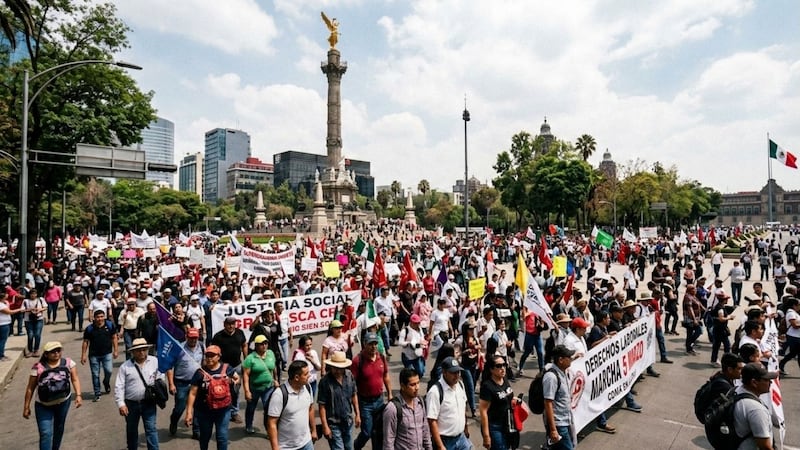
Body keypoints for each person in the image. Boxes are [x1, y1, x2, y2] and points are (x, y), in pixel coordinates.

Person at [22, 341, 82, 450]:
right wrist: (26, 406)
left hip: (63, 402)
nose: (56, 353)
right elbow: (30, 388)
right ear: (46, 354)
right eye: (52, 351)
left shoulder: (69, 363)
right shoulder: (38, 368)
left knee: (59, 428)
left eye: (58, 350)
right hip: (43, 405)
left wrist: (78, 395)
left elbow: (75, 379)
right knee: (46, 433)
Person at [185, 344, 241, 450]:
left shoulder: (227, 368)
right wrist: (189, 413)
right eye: (207, 356)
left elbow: (237, 379)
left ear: (218, 356)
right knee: (205, 437)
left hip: (223, 411)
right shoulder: (200, 373)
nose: (209, 358)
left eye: (212, 355)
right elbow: (192, 393)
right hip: (204, 411)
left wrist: (232, 382)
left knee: (222, 437)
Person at [114, 338, 164, 450]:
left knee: (151, 429)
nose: (141, 352)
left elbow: (161, 376)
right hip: (131, 404)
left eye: (144, 349)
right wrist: (121, 404)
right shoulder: (125, 367)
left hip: (149, 403)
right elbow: (119, 386)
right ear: (133, 352)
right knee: (131, 431)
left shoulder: (155, 361)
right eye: (138, 350)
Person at [352, 332, 391, 450]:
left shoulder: (381, 357)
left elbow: (386, 375)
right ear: (364, 344)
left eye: (375, 343)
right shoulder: (357, 361)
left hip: (379, 400)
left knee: (378, 432)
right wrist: (357, 412)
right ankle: (356, 445)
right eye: (370, 344)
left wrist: (389, 394)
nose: (374, 346)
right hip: (365, 403)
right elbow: (352, 385)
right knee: (367, 432)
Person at [266, 360, 317, 450]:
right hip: (286, 447)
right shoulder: (279, 394)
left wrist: (314, 430)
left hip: (307, 443)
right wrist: (275, 447)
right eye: (306, 374)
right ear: (296, 377)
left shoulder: (307, 387)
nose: (309, 376)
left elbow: (310, 409)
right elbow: (271, 422)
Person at [166, 327, 204, 438]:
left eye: (195, 338)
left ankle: (196, 431)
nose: (193, 340)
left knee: (197, 407)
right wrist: (171, 384)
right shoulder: (179, 348)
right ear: (186, 336)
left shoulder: (201, 346)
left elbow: (204, 362)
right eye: (191, 338)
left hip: (197, 382)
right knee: (180, 408)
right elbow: (169, 366)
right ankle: (174, 422)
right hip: (181, 383)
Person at [383, 367, 432, 450]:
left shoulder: (420, 402)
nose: (417, 388)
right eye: (412, 385)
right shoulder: (392, 409)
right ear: (402, 386)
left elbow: (425, 430)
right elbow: (388, 441)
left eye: (418, 383)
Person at [318, 351, 360, 450]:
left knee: (349, 447)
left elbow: (354, 395)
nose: (338, 371)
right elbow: (322, 406)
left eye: (340, 368)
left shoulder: (349, 376)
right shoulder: (325, 382)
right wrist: (325, 426)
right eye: (335, 368)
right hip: (333, 424)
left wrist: (358, 414)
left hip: (348, 421)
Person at [426, 356, 470, 450]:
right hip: (446, 441)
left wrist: (465, 428)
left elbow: (463, 408)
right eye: (453, 373)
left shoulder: (460, 385)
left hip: (461, 438)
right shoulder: (435, 392)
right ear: (444, 372)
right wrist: (440, 446)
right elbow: (432, 421)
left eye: (458, 372)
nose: (457, 375)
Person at [211, 316, 248, 423]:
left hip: (237, 366)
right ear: (224, 324)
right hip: (223, 368)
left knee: (235, 390)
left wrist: (246, 359)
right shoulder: (218, 337)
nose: (231, 326)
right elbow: (213, 351)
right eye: (229, 324)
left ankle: (234, 412)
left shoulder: (240, 333)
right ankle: (220, 411)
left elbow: (244, 345)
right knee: (221, 390)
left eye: (233, 323)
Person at [733, 363, 777, 450]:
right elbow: (765, 446)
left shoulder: (735, 391)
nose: (770, 382)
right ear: (754, 382)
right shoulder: (756, 410)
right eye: (766, 380)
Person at [242, 334, 278, 435]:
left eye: (266, 343)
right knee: (251, 408)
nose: (264, 346)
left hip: (268, 387)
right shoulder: (250, 358)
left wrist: (275, 379)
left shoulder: (270, 353)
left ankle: (269, 430)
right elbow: (245, 375)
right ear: (256, 345)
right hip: (254, 388)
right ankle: (249, 426)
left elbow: (274, 368)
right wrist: (247, 391)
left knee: (268, 408)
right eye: (262, 344)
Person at [479, 355, 515, 450]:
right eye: (498, 366)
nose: (502, 368)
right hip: (495, 427)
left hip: (507, 424)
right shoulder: (487, 386)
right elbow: (483, 411)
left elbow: (507, 395)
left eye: (504, 365)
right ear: (491, 369)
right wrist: (486, 436)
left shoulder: (505, 379)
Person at [81, 309, 118, 402]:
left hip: (107, 353)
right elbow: (85, 342)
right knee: (95, 374)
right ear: (94, 318)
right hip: (94, 355)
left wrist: (116, 350)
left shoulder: (109, 325)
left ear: (104, 317)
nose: (100, 319)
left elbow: (114, 338)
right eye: (98, 317)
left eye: (102, 316)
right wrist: (83, 355)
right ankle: (97, 393)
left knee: (109, 371)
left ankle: (106, 382)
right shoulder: (89, 328)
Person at [543, 345, 575, 450]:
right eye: (568, 357)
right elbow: (548, 403)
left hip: (566, 421)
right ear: (560, 360)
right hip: (559, 424)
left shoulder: (562, 372)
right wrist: (553, 429)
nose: (571, 359)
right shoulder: (551, 377)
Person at [518, 307, 545, 375]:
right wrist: (527, 309)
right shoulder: (527, 310)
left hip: (537, 335)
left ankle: (541, 370)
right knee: (527, 352)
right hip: (529, 335)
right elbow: (523, 317)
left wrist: (542, 323)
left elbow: (543, 321)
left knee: (540, 353)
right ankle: (520, 368)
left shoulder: (538, 311)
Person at [22, 288, 47, 358]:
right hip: (28, 320)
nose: (33, 295)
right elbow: (22, 310)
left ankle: (36, 350)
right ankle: (30, 350)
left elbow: (45, 307)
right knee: (30, 335)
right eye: (31, 294)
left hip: (39, 319)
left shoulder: (40, 299)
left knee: (37, 334)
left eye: (34, 294)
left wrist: (39, 310)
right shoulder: (25, 301)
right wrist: (29, 310)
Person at [0, 291, 23, 361]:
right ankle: (1, 355)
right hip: (2, 325)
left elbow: (9, 304)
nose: (7, 295)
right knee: (2, 340)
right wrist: (19, 309)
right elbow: (9, 312)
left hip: (5, 323)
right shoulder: (1, 305)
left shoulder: (4, 303)